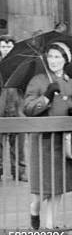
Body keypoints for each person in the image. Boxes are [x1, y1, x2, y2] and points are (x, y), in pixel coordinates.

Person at [23, 42, 72, 229]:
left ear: (65, 60)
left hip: (61, 141)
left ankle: (50, 225)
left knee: (57, 186)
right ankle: (34, 209)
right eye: (50, 56)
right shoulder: (38, 80)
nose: (53, 61)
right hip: (42, 141)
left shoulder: (68, 81)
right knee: (41, 188)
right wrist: (46, 97)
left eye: (57, 57)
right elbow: (27, 108)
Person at [0, 34, 27, 182]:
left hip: (18, 107)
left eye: (9, 46)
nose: (6, 49)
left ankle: (20, 171)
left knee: (18, 144)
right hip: (1, 107)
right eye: (3, 46)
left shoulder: (22, 65)